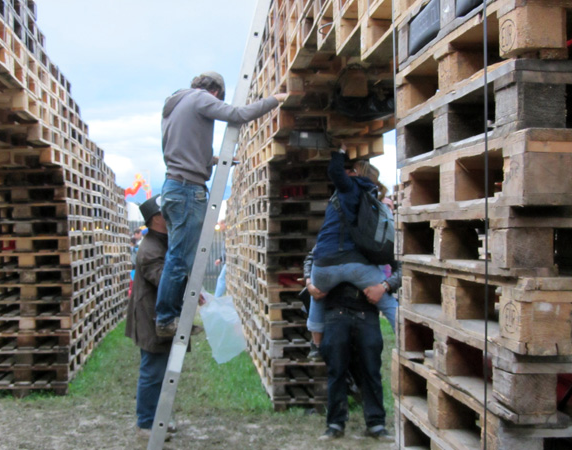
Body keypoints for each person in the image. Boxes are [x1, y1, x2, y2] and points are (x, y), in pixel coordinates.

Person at [155, 71, 287, 337]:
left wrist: (218, 160)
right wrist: (275, 99)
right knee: (180, 259)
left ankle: (173, 315)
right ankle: (166, 318)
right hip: (187, 190)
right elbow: (237, 115)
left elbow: (186, 148)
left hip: (174, 186)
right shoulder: (201, 99)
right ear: (215, 92)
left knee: (180, 257)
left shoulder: (175, 104)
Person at [304, 146, 399, 359]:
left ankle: (316, 346)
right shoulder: (372, 197)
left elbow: (334, 172)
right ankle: (406, 340)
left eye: (351, 169)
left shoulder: (350, 187)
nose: (347, 172)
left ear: (356, 173)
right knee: (388, 303)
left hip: (325, 264)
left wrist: (339, 151)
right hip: (357, 265)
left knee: (317, 296)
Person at [317, 281, 393, 442]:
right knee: (336, 369)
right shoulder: (325, 254)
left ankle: (376, 423)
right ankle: (335, 424)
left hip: (367, 311)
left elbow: (399, 269)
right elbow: (311, 259)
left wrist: (384, 286)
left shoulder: (378, 254)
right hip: (335, 310)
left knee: (371, 368)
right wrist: (310, 282)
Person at [125, 195, 174, 440]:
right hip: (150, 318)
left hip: (157, 316)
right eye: (167, 211)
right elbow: (165, 281)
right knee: (153, 371)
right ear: (157, 218)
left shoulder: (162, 242)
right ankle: (145, 424)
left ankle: (160, 417)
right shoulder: (151, 249)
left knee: (165, 371)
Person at [214, 220, 227, 298]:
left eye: (219, 225)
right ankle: (217, 297)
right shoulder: (224, 234)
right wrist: (220, 259)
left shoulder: (228, 234)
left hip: (228, 262)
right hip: (226, 261)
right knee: (222, 278)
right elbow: (224, 250)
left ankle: (217, 298)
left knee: (221, 278)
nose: (219, 228)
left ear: (223, 224)